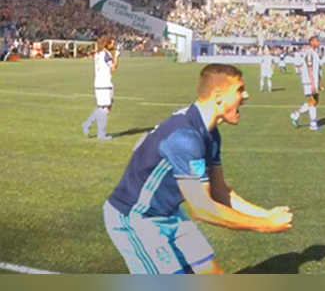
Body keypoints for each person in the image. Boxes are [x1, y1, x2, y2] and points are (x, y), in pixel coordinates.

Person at [104, 64, 294, 274]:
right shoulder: (185, 137)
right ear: (218, 97)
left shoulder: (210, 134)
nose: (246, 95)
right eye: (240, 90)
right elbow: (202, 208)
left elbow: (219, 191)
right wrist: (265, 225)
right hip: (136, 219)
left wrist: (266, 215)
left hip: (169, 213)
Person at [82, 36, 120, 141]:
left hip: (98, 83)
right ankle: (100, 133)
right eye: (112, 43)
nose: (113, 45)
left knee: (103, 108)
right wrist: (116, 57)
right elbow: (113, 68)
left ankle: (87, 124)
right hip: (105, 84)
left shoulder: (98, 54)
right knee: (105, 109)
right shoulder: (106, 55)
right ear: (107, 44)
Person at [291, 36, 324, 132]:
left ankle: (297, 115)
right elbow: (310, 69)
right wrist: (313, 83)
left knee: (314, 100)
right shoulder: (309, 53)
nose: (319, 43)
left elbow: (316, 69)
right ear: (312, 42)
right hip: (309, 81)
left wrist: (320, 81)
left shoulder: (314, 53)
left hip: (313, 80)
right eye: (317, 41)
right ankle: (312, 124)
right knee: (313, 101)